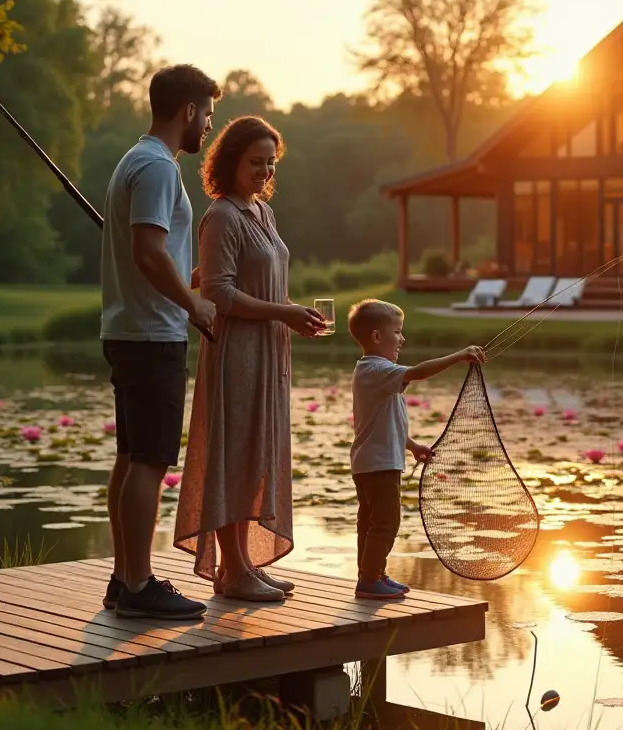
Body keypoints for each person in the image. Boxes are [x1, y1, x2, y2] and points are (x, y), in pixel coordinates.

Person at [175, 116, 327, 601]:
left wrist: (288, 316)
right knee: (235, 455)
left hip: (269, 351)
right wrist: (284, 311)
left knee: (256, 454)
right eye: (255, 162)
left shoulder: (263, 213)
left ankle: (243, 566)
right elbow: (218, 292)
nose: (263, 171)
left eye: (270, 162)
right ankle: (232, 571)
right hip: (236, 351)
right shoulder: (221, 215)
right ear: (231, 162)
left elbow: (257, 279)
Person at [100, 64, 221, 620]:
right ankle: (140, 584)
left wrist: (187, 280)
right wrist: (191, 304)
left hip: (132, 329)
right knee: (148, 460)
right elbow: (148, 251)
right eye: (208, 115)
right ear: (188, 111)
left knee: (130, 456)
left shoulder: (138, 160)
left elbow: (157, 255)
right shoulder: (156, 167)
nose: (209, 127)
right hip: (152, 335)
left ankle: (125, 579)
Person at [347, 299, 485, 600]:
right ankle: (369, 579)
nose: (402, 339)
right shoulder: (377, 369)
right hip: (379, 464)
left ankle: (371, 574)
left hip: (372, 461)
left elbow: (383, 422)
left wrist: (411, 446)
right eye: (397, 332)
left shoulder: (372, 371)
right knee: (386, 522)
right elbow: (419, 372)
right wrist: (460, 356)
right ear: (376, 337)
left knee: (371, 522)